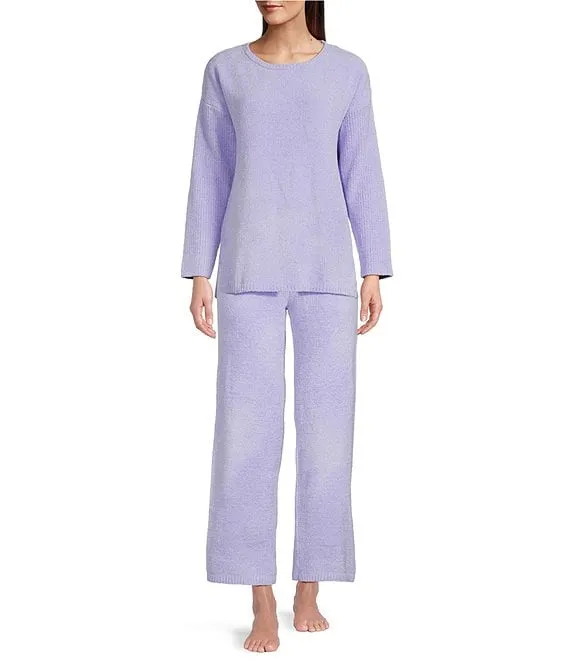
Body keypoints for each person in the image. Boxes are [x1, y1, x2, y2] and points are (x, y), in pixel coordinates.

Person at [181, 0, 392, 653]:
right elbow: (210, 170)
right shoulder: (225, 72)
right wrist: (199, 270)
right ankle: (260, 599)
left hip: (328, 274)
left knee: (328, 440)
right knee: (245, 440)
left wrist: (374, 267)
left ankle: (310, 585)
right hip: (247, 272)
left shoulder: (347, 73)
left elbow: (362, 169)